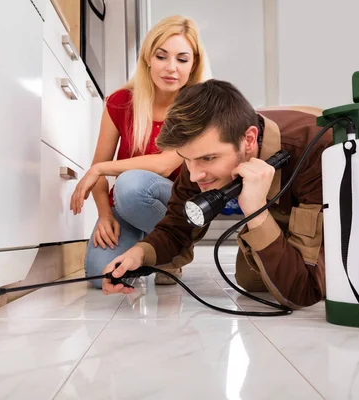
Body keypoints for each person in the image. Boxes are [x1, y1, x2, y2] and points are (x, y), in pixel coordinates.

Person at [101, 79, 331, 309]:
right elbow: (176, 228)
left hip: (334, 215)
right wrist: (139, 254)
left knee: (290, 276)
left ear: (249, 140)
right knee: (249, 276)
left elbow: (302, 294)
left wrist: (256, 212)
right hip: (283, 210)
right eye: (187, 159)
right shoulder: (200, 157)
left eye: (208, 159)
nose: (193, 176)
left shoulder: (316, 154)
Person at [69, 16, 209, 288]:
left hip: (180, 207)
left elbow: (165, 164)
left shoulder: (197, 105)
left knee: (131, 183)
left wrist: (98, 169)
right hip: (127, 204)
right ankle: (150, 248)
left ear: (193, 66)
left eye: (182, 59)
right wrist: (105, 215)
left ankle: (171, 251)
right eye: (161, 56)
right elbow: (100, 165)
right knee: (102, 275)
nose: (171, 68)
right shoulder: (120, 102)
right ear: (148, 58)